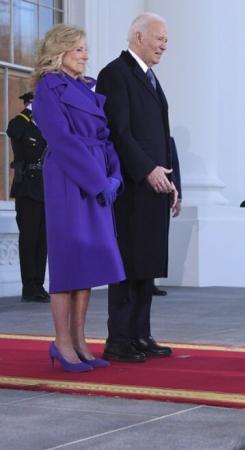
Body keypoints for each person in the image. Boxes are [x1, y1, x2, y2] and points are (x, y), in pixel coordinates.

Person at [31, 24, 125, 372]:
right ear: (61, 51)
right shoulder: (48, 89)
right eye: (80, 49)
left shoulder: (86, 89)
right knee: (68, 261)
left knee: (87, 262)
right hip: (69, 179)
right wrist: (97, 179)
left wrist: (113, 176)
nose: (86, 55)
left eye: (86, 49)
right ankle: (62, 343)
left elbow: (106, 138)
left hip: (97, 176)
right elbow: (62, 140)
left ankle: (81, 341)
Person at [96, 12, 178, 362]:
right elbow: (119, 132)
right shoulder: (115, 74)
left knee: (147, 265)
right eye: (159, 37)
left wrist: (175, 183)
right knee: (129, 265)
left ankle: (141, 335)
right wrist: (146, 170)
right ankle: (119, 340)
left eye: (166, 40)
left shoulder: (152, 78)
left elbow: (164, 136)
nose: (164, 45)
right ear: (138, 35)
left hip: (156, 186)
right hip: (132, 187)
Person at [6, 92, 49, 303]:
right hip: (27, 189)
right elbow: (11, 131)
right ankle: (28, 286)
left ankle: (39, 284)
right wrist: (28, 111)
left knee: (43, 240)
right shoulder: (20, 123)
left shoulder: (45, 126)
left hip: (45, 189)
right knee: (29, 238)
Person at [152, 136, 182, 297]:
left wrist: (179, 197)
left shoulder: (168, 140)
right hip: (148, 192)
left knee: (158, 240)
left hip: (165, 194)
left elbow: (174, 168)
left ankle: (152, 281)